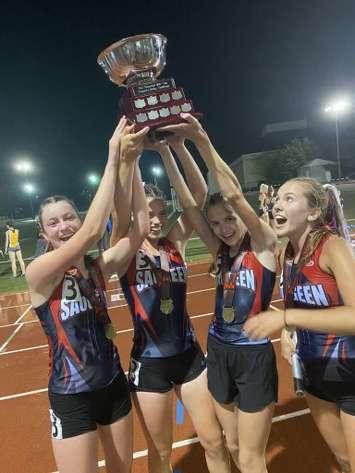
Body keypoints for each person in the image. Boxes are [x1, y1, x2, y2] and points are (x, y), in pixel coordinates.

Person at [25, 117, 150, 473]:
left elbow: (139, 229)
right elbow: (95, 229)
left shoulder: (98, 267)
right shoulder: (39, 274)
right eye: (54, 223)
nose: (64, 226)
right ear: (45, 234)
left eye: (69, 217)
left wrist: (136, 160)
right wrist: (113, 157)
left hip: (112, 385)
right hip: (70, 396)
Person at [156, 114, 278, 473]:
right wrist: (170, 150)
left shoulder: (263, 244)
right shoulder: (221, 250)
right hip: (220, 350)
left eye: (230, 219)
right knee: (234, 444)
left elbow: (234, 194)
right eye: (217, 223)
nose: (223, 228)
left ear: (243, 216)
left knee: (252, 456)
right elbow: (191, 208)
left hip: (253, 354)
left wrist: (200, 139)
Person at [112, 132, 230, 473]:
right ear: (136, 215)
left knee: (213, 440)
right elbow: (122, 207)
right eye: (150, 213)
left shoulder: (173, 242)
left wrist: (168, 148)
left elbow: (198, 194)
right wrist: (130, 158)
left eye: (162, 212)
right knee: (161, 451)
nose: (159, 218)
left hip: (190, 356)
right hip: (149, 364)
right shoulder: (126, 248)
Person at [243, 178, 355, 473]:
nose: (278, 204)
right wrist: (287, 331)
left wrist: (286, 318)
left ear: (313, 212)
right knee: (342, 460)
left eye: (289, 199)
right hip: (314, 375)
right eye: (277, 198)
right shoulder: (287, 256)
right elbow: (298, 309)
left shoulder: (332, 247)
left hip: (350, 374)